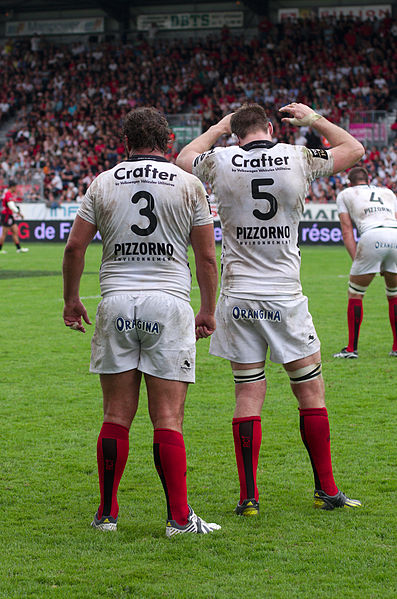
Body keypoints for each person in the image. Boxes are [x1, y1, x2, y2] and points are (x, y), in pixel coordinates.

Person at [176, 102, 364, 514]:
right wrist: (314, 120)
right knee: (310, 392)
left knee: (247, 394)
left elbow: (183, 158)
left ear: (236, 131)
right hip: (284, 295)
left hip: (238, 296)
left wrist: (217, 129)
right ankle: (326, 490)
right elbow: (354, 150)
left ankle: (249, 498)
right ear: (267, 126)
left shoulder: (220, 160)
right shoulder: (297, 156)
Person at [62, 107, 220, 537]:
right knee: (167, 418)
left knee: (115, 414)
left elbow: (75, 248)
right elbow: (206, 255)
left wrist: (72, 300)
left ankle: (106, 515)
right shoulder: (189, 184)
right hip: (167, 303)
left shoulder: (103, 181)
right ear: (169, 140)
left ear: (125, 142)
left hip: (114, 302)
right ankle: (179, 520)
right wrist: (208, 309)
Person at [333, 166, 397, 358]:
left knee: (355, 292)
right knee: (394, 294)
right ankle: (396, 347)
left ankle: (352, 349)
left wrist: (357, 261)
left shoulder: (345, 194)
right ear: (368, 180)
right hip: (394, 235)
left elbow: (346, 230)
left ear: (350, 182)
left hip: (371, 235)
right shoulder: (387, 192)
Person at [0, 181, 29, 254]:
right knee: (4, 233)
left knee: (15, 230)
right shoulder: (8, 194)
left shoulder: (7, 194)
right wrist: (19, 213)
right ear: (12, 187)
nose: (16, 188)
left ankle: (18, 248)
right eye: (15, 187)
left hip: (9, 215)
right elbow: (11, 206)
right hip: (6, 215)